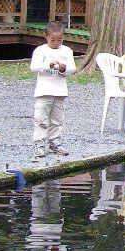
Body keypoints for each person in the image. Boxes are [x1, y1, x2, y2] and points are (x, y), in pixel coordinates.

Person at [29, 21, 76, 161]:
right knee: (41, 119)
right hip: (44, 91)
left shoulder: (67, 51)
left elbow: (72, 69)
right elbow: (34, 67)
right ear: (46, 37)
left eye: (59, 40)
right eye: (53, 40)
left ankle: (55, 142)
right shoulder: (40, 51)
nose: (56, 43)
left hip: (60, 91)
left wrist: (63, 69)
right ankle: (39, 144)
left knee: (57, 120)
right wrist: (49, 65)